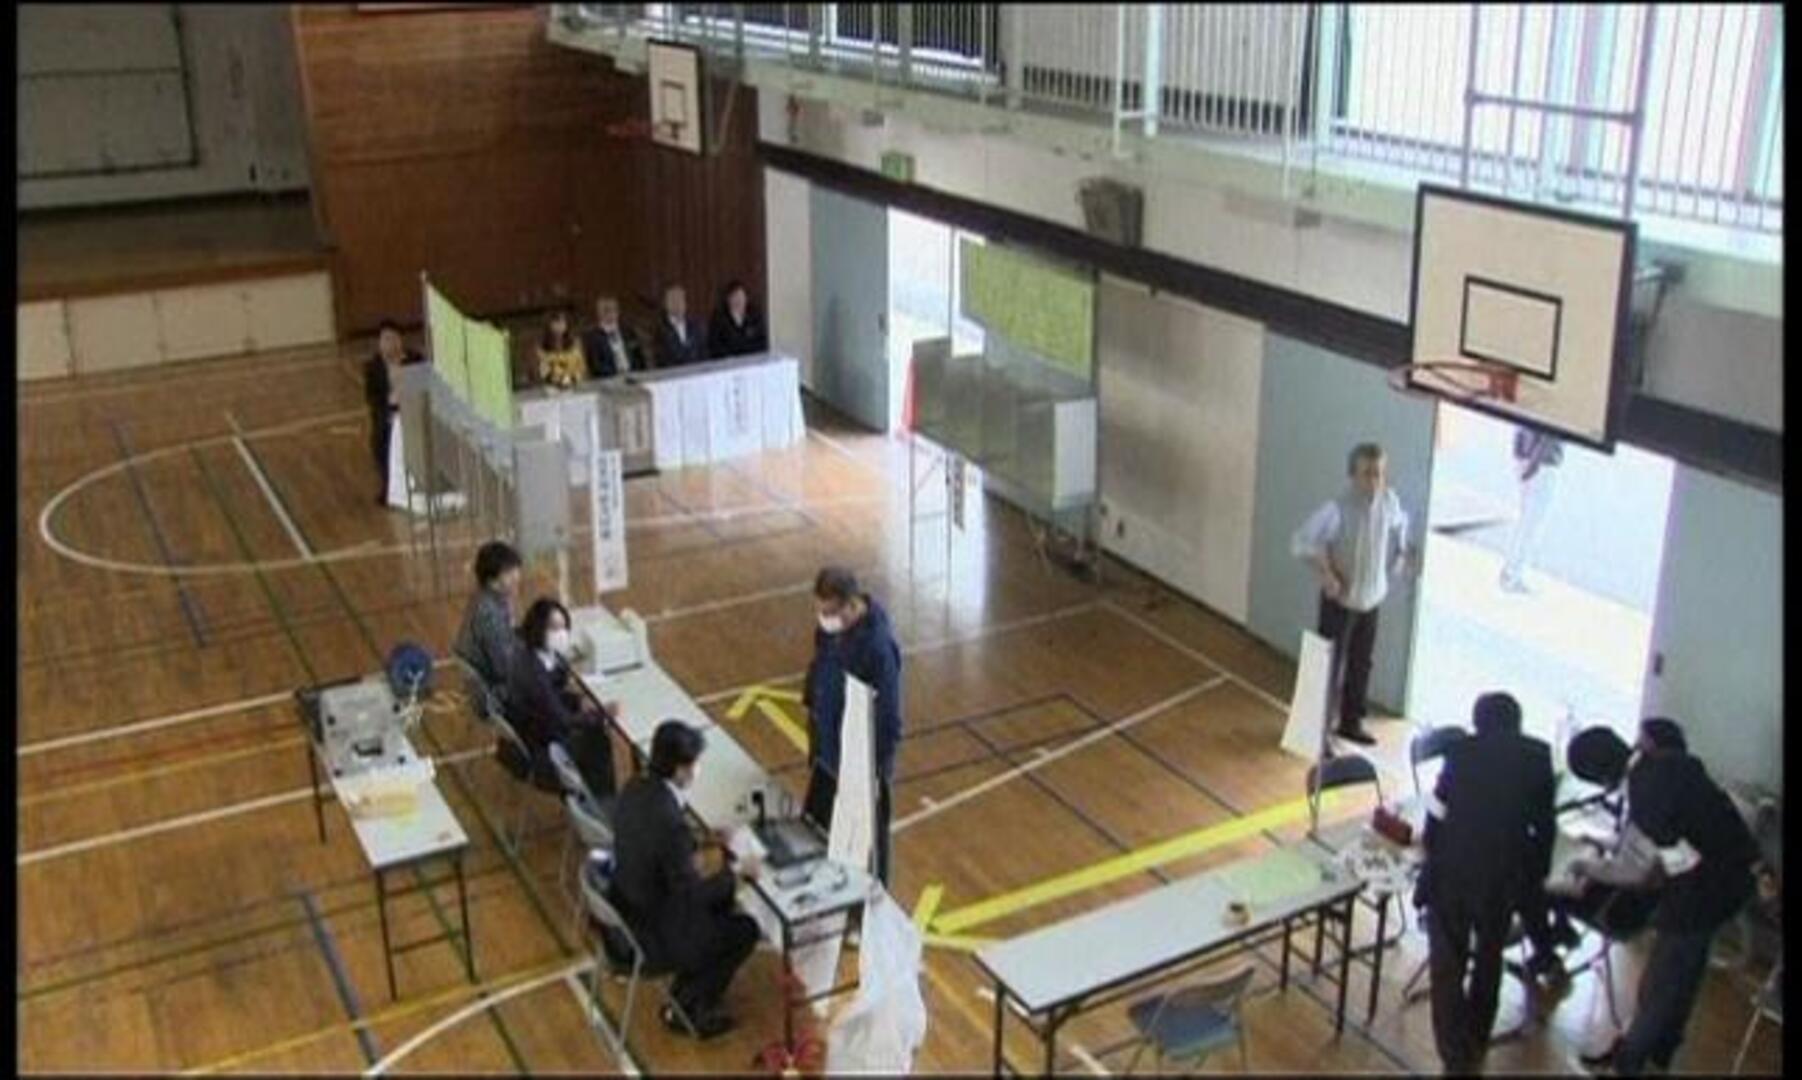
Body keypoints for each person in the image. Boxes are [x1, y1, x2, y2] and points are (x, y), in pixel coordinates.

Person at [1568, 718, 1761, 1076]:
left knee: (1661, 986)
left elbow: (1650, 872)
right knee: (1683, 979)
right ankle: (1659, 1057)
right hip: (1737, 872)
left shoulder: (1646, 798)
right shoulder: (1671, 761)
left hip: (1705, 892)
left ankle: (1628, 1065)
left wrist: (1588, 867)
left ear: (1601, 778)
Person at [1417, 692, 1557, 1075]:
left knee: (1448, 963)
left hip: (1453, 871)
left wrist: (1431, 848)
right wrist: (1536, 873)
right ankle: (1477, 1037)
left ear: (1478, 722)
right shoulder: (1539, 757)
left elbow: (1439, 810)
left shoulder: (1461, 752)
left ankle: (1453, 1052)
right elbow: (1545, 826)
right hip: (1503, 877)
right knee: (1489, 957)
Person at [610, 721, 762, 1039]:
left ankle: (691, 986)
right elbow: (690, 896)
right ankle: (689, 1007)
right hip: (656, 928)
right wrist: (736, 874)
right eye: (694, 765)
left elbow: (652, 840)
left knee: (722, 903)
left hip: (628, 907)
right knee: (745, 929)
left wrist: (696, 838)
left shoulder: (634, 788)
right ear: (681, 770)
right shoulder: (670, 822)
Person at [1291, 442, 1414, 746]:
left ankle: (1350, 722)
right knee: (1329, 669)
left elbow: (1402, 524)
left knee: (1362, 663)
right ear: (1353, 476)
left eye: (1379, 474)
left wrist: (1400, 556)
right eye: (1368, 474)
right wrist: (1326, 574)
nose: (1374, 481)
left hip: (1371, 599)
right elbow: (1301, 543)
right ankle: (1317, 734)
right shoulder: (1335, 509)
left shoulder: (1389, 501)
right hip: (1341, 602)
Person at [801, 566, 903, 886]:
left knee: (870, 841)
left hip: (861, 761)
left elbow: (888, 718)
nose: (824, 620)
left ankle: (876, 896)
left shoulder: (877, 648)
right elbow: (821, 669)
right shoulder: (831, 630)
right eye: (820, 611)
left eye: (830, 612)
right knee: (821, 826)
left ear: (851, 604)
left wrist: (872, 771)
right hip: (828, 749)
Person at [504, 598, 618, 801]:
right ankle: (603, 803)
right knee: (598, 740)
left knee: (593, 732)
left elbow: (551, 698)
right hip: (542, 748)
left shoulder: (528, 655)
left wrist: (577, 701)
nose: (562, 634)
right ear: (539, 629)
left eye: (564, 627)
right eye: (554, 627)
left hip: (533, 731)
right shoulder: (534, 672)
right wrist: (600, 715)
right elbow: (562, 719)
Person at [453, 541, 524, 711]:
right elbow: (504, 669)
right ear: (492, 579)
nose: (517, 576)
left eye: (515, 569)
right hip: (494, 693)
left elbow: (509, 640)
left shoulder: (491, 598)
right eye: (508, 572)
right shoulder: (489, 615)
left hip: (492, 678)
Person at [361, 319, 426, 507]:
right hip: (388, 414)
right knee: (380, 438)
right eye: (385, 339)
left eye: (393, 338)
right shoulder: (373, 367)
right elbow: (372, 398)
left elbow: (424, 386)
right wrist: (389, 406)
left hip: (412, 410)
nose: (389, 343)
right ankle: (389, 485)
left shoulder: (415, 359)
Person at [1500, 427, 1563, 594]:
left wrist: (1519, 457)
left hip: (1526, 457)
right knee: (1532, 524)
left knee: (1525, 520)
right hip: (1544, 463)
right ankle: (1514, 575)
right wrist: (1534, 463)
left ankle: (1510, 571)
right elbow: (1551, 431)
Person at [580, 295, 647, 378]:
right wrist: (617, 374)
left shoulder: (628, 331)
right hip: (609, 379)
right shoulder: (593, 337)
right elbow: (596, 366)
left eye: (614, 311)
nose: (611, 315)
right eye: (606, 311)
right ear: (599, 314)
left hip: (634, 376)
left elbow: (639, 358)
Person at [706, 280, 768, 360]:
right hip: (728, 363)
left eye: (741, 296)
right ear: (728, 299)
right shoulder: (719, 318)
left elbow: (762, 341)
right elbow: (715, 345)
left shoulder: (755, 315)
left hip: (752, 361)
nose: (739, 300)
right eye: (735, 297)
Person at [652, 284, 705, 369]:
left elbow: (703, 352)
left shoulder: (695, 325)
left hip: (696, 373)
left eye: (680, 299)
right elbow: (661, 358)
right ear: (665, 304)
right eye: (673, 300)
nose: (677, 303)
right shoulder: (660, 328)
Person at [536, 308, 587, 389]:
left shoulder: (575, 343)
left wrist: (571, 379)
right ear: (549, 325)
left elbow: (581, 368)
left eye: (562, 322)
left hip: (574, 386)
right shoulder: (542, 348)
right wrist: (559, 381)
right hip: (552, 389)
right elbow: (544, 372)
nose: (559, 326)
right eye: (556, 322)